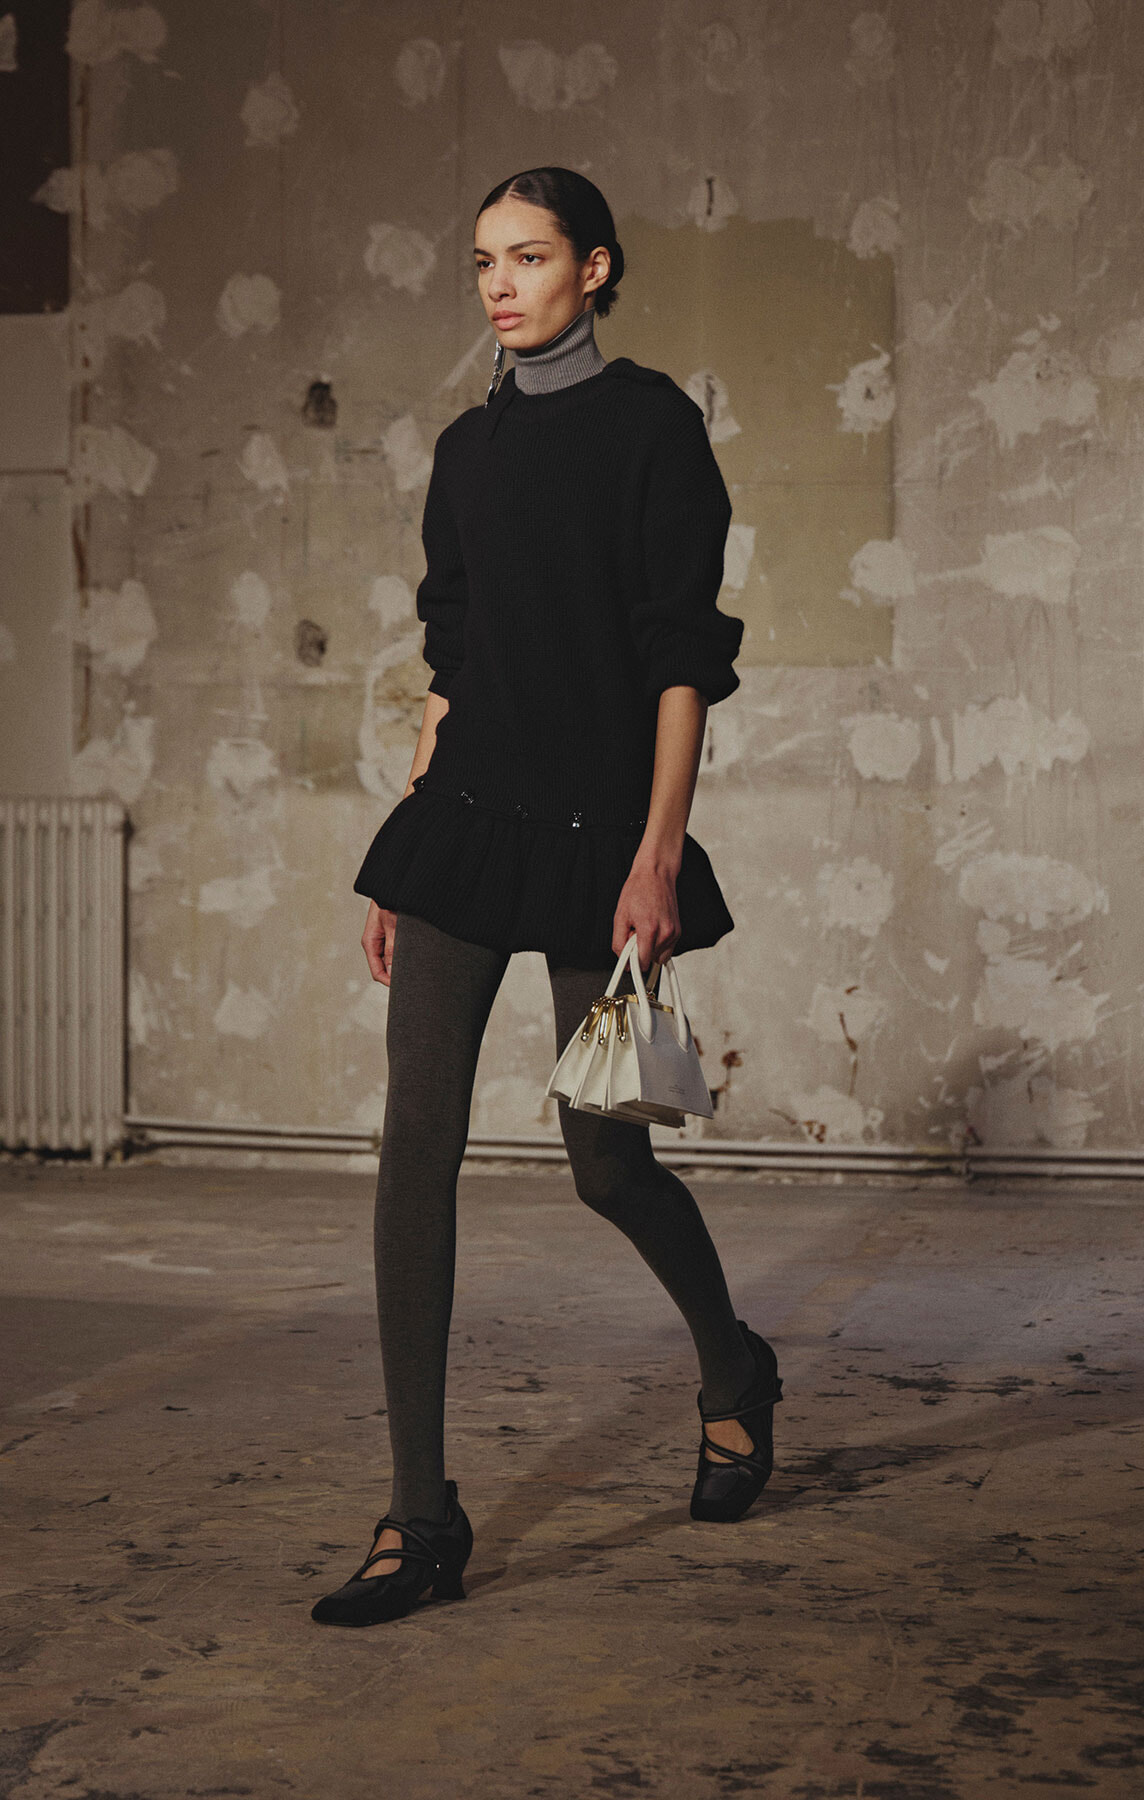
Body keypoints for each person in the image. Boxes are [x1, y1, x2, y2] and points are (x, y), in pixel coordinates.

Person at [311, 167, 784, 1630]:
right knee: (414, 1157)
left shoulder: (653, 430)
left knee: (606, 1168)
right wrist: (409, 835)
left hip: (594, 832)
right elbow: (458, 661)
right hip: (466, 820)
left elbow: (679, 659)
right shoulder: (466, 450)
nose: (500, 284)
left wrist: (657, 851)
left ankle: (735, 1366)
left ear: (597, 268)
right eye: (481, 264)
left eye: (527, 257)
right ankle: (420, 1514)